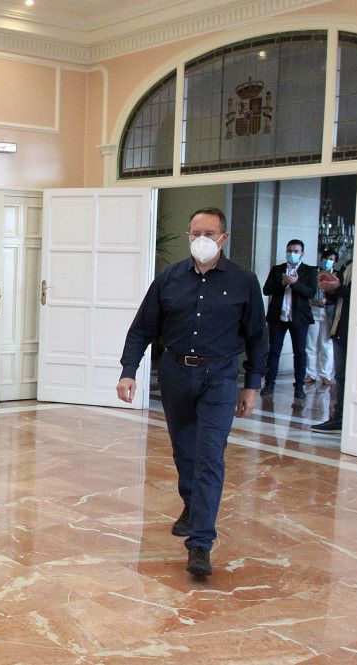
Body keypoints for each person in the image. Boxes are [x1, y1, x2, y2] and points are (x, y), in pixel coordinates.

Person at [117, 207, 267, 578]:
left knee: (210, 455)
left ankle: (200, 543)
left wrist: (253, 385)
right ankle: (191, 504)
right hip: (176, 374)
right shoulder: (168, 279)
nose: (202, 239)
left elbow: (258, 337)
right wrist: (128, 371)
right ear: (189, 236)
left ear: (223, 237)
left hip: (220, 375)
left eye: (209, 233)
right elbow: (142, 329)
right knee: (184, 450)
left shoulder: (243, 281)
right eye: (195, 232)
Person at [261, 239, 318, 400]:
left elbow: (311, 292)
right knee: (274, 351)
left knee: (300, 352)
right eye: (289, 250)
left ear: (302, 253)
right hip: (278, 316)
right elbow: (267, 290)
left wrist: (294, 283)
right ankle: (269, 383)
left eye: (296, 251)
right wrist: (282, 282)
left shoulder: (309, 270)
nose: (292, 254)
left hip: (299, 317)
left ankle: (299, 386)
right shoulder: (277, 269)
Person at [313, 258, 351, 433]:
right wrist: (329, 288)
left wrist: (339, 288)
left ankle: (344, 418)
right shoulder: (348, 265)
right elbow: (338, 298)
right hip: (339, 326)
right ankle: (339, 417)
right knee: (341, 376)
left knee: (346, 376)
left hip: (353, 328)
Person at [304, 248, 338, 386]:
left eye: (331, 259)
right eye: (326, 258)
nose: (328, 261)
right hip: (313, 310)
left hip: (328, 313)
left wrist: (327, 301)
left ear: (334, 262)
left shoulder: (337, 276)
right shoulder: (313, 273)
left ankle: (325, 374)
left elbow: (337, 295)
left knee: (326, 344)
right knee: (311, 344)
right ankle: (311, 373)